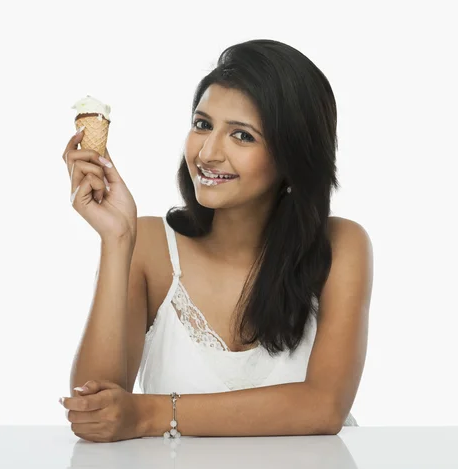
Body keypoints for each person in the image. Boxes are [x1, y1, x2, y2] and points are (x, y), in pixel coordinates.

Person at [61, 39, 373, 443]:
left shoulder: (342, 246)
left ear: (293, 157)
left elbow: (324, 406)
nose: (208, 153)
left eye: (242, 136)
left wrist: (150, 413)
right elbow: (95, 414)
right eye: (202, 124)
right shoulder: (150, 245)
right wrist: (116, 238)